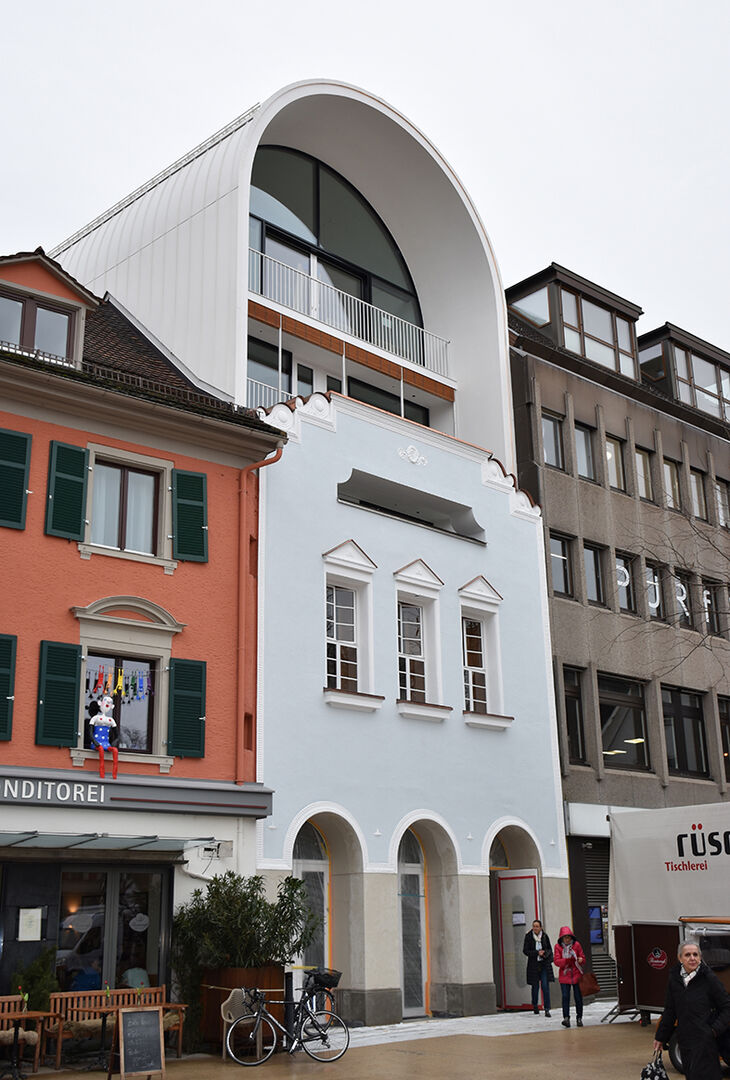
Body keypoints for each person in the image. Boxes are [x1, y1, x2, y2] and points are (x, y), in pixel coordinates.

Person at [653, 942, 730, 1080]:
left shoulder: (708, 978)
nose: (692, 958)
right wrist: (660, 1037)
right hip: (686, 1042)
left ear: (700, 957)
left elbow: (727, 1007)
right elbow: (670, 1010)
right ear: (680, 958)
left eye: (695, 954)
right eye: (687, 955)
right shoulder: (674, 979)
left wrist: (713, 1031)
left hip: (706, 1042)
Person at [554, 925, 585, 1027]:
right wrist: (567, 960)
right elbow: (557, 961)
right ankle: (566, 1018)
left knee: (578, 998)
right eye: (565, 937)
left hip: (576, 974)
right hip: (564, 975)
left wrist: (580, 960)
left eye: (569, 937)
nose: (567, 939)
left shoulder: (577, 945)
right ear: (561, 938)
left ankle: (579, 1018)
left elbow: (583, 958)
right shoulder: (558, 947)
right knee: (565, 997)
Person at [522, 918, 553, 1017]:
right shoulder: (528, 937)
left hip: (543, 964)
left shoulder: (544, 936)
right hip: (533, 965)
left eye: (537, 926)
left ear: (540, 927)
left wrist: (544, 953)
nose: (535, 928)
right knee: (535, 987)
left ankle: (547, 1008)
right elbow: (525, 951)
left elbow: (549, 949)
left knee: (545, 986)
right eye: (533, 926)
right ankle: (535, 1005)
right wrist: (536, 953)